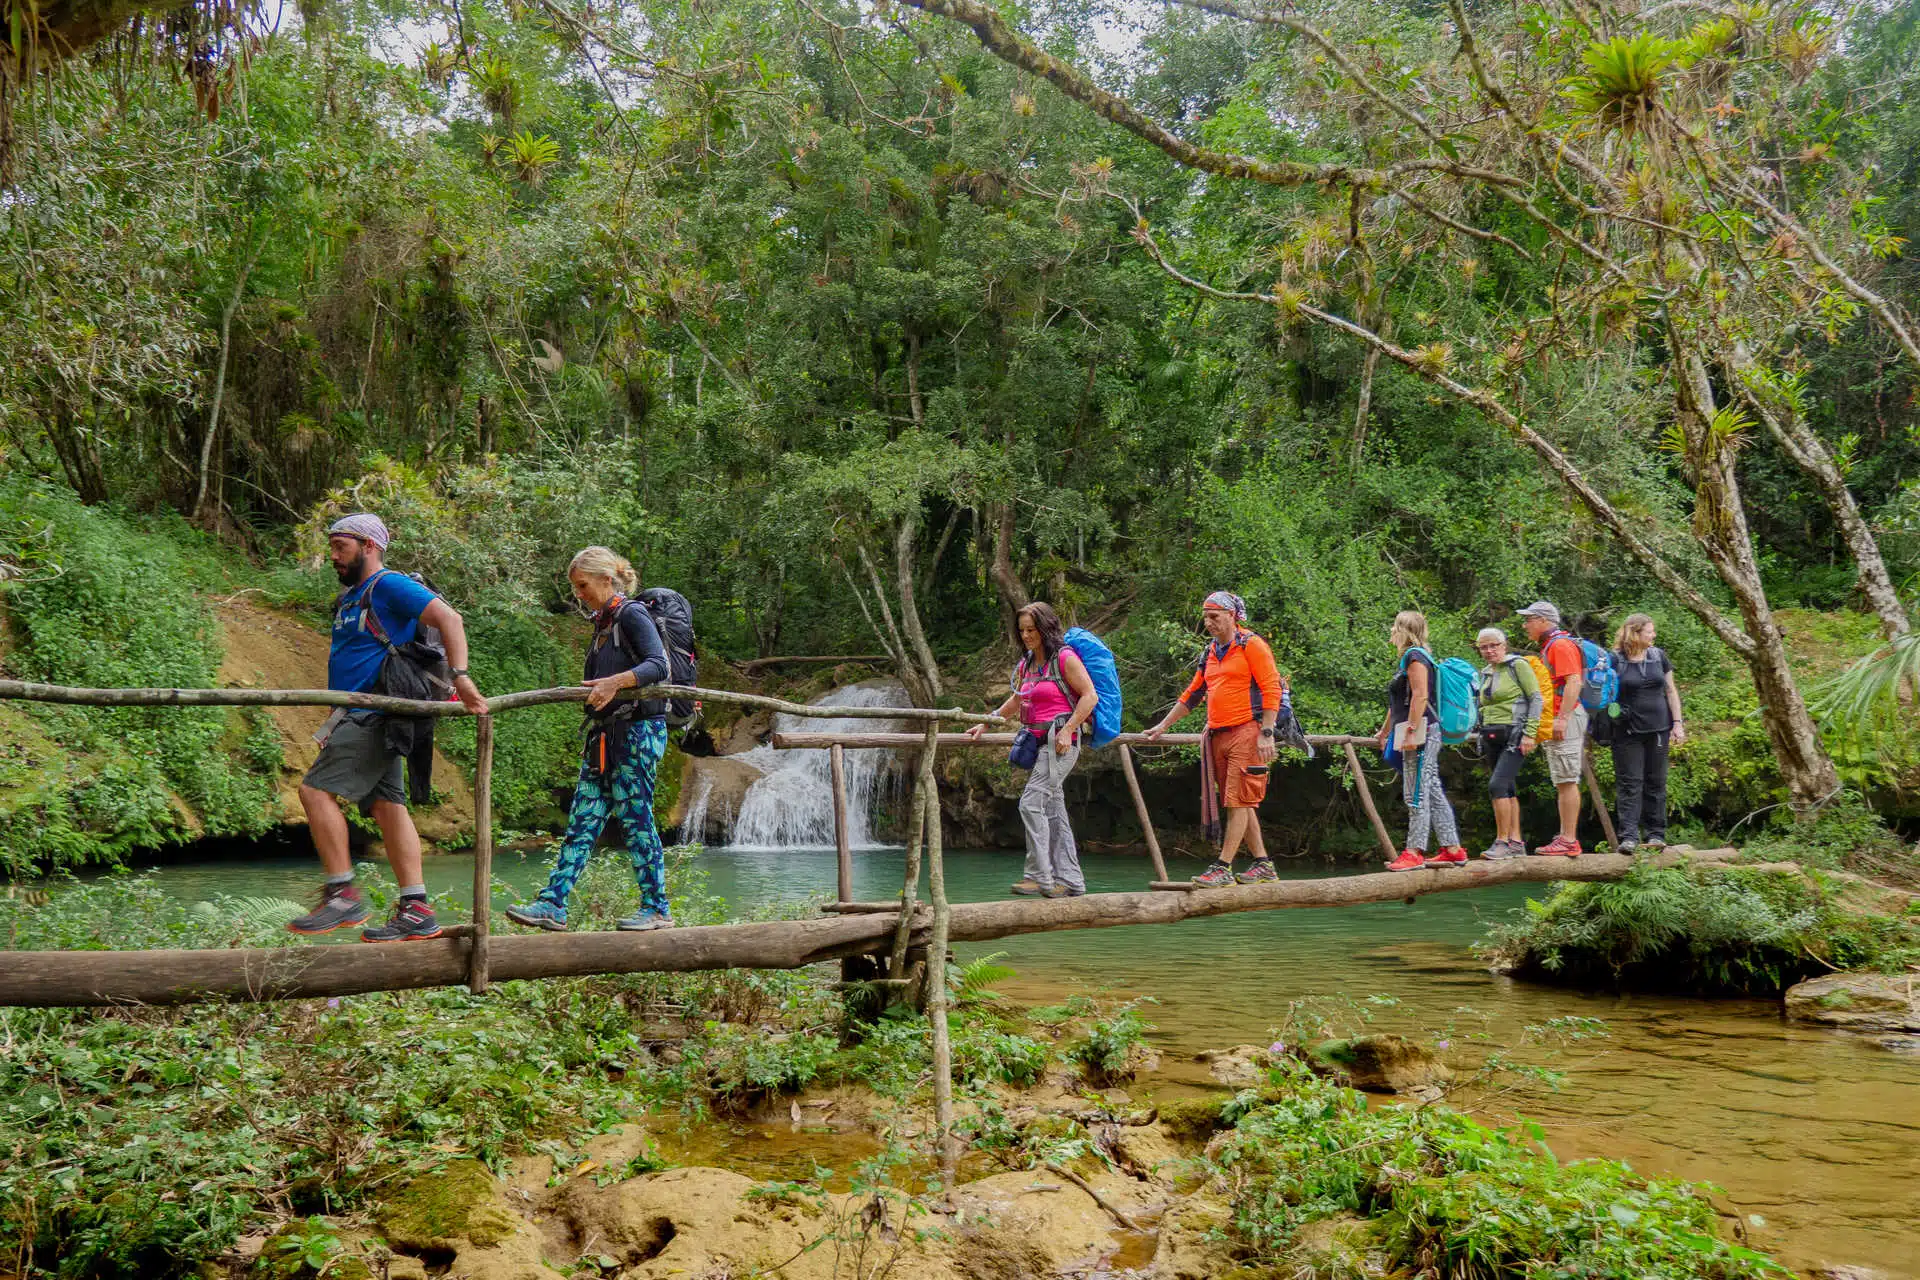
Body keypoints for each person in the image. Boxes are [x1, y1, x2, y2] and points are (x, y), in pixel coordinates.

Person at [288, 514, 488, 941]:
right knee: (386, 807)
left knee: (313, 791)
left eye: (341, 546)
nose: (334, 556)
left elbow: (449, 619)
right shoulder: (350, 598)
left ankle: (341, 893)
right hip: (357, 714)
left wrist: (461, 677)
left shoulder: (389, 585)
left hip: (376, 713)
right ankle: (416, 909)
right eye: (332, 546)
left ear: (369, 546)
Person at [506, 547, 676, 932]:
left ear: (605, 579)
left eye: (582, 585)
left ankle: (657, 908)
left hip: (636, 735)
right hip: (605, 739)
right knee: (582, 822)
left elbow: (658, 665)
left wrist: (615, 682)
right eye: (575, 587)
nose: (578, 594)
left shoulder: (632, 614)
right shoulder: (603, 625)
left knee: (636, 820)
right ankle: (553, 904)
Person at [1143, 592, 1282, 887]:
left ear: (1232, 616)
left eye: (1214, 617)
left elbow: (1273, 690)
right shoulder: (1210, 652)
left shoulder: (1252, 646)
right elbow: (1193, 693)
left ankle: (1222, 867)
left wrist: (1267, 733)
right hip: (1219, 734)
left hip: (1248, 730)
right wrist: (1163, 726)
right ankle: (1263, 865)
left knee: (1238, 801)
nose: (1208, 623)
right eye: (1206, 617)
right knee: (1241, 802)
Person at [967, 602, 1097, 898]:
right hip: (1037, 742)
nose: (1026, 635)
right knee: (1053, 810)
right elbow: (1016, 701)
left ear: (1045, 628)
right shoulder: (1028, 663)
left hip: (1060, 744)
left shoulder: (1065, 658)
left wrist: (1068, 729)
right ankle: (1071, 880)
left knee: (1030, 803)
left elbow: (1090, 697)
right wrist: (985, 724)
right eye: (1022, 630)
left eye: (1031, 629)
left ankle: (1039, 876)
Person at [1376, 611, 1466, 871]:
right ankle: (1453, 849)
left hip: (1422, 731)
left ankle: (1414, 852)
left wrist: (1412, 732)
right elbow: (1398, 703)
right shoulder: (1412, 658)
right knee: (1432, 789)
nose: (1391, 633)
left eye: (1394, 628)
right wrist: (1384, 731)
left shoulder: (1415, 656)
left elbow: (1420, 696)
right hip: (1418, 728)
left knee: (1415, 791)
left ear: (1403, 630)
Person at [1611, 613, 1686, 853]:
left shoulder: (1658, 656)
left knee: (1656, 782)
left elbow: (1671, 691)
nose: (1653, 635)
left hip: (1659, 729)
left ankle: (1656, 835)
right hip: (1627, 731)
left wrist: (1677, 723)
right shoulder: (1616, 660)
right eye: (1649, 631)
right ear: (1634, 632)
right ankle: (1629, 837)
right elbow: (1604, 695)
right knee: (1630, 783)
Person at [1519, 600, 1587, 857]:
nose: (1526, 625)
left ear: (1543, 621)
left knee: (1567, 779)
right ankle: (1565, 835)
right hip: (1559, 716)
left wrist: (1562, 718)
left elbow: (1574, 681)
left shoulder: (1559, 645)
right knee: (1562, 779)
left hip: (1565, 717)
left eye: (1529, 620)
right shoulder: (1552, 645)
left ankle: (1569, 839)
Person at [1472, 627, 1546, 860]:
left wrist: (1530, 733)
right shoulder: (1485, 672)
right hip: (1492, 735)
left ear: (1504, 645)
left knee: (1497, 785)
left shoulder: (1518, 665)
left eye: (1493, 645)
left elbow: (1536, 698)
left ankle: (1502, 842)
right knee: (1508, 787)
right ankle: (1515, 843)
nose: (1489, 650)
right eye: (1484, 647)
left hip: (1516, 733)